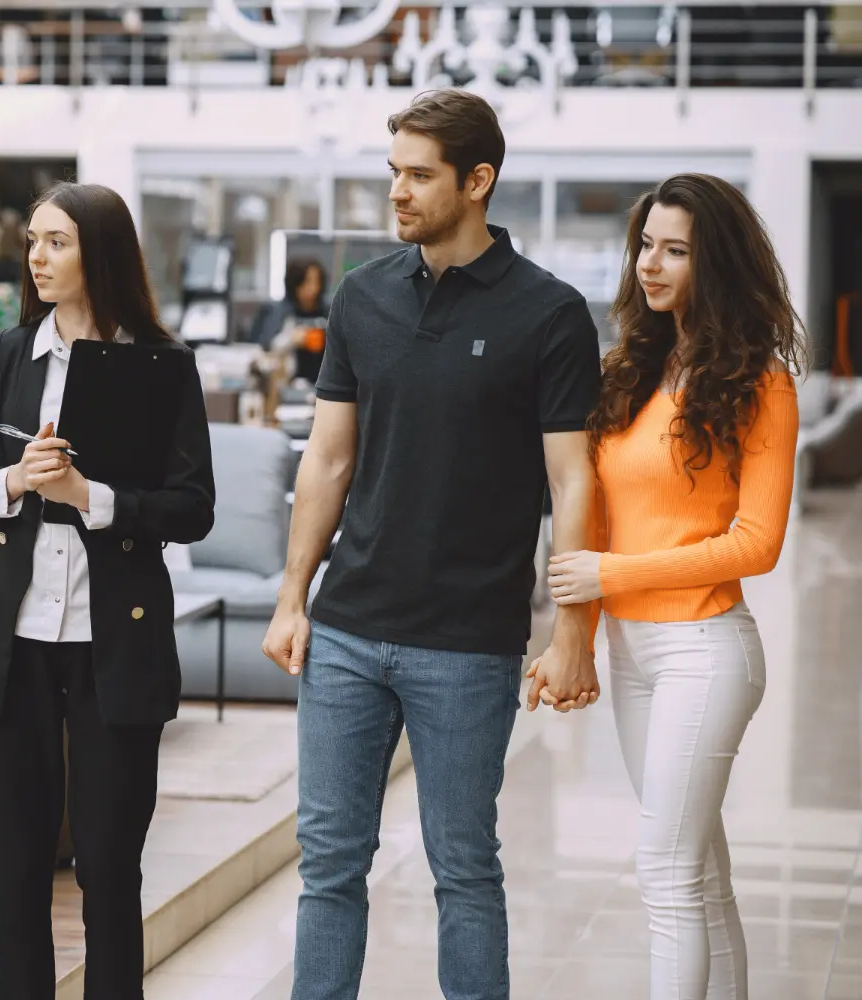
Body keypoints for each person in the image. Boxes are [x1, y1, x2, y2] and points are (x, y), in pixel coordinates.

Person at [260, 88, 604, 1000]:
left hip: (467, 641)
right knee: (328, 866)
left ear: (478, 182)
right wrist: (294, 596)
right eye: (394, 174)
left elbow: (574, 481)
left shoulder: (551, 313)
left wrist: (572, 630)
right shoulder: (364, 296)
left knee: (463, 868)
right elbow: (328, 461)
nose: (398, 194)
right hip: (346, 629)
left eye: (420, 176)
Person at [0, 181, 215, 1000]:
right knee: (18, 871)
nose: (37, 258)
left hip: (114, 646)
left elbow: (192, 509)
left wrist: (91, 498)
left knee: (108, 868)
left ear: (101, 252)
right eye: (32, 241)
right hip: (8, 646)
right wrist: (15, 481)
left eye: (56, 242)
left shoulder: (163, 367)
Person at [547, 173, 804, 1000]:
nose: (651, 264)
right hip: (631, 654)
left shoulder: (762, 383)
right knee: (700, 872)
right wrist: (576, 641)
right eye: (646, 245)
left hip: (705, 651)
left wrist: (610, 576)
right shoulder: (631, 371)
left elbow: (757, 544)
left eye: (676, 250)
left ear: (715, 262)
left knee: (665, 872)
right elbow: (593, 515)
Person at [248, 258, 329, 382]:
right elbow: (262, 348)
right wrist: (291, 339)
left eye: (316, 282)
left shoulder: (328, 313)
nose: (313, 288)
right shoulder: (277, 312)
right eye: (306, 282)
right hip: (285, 381)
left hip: (321, 381)